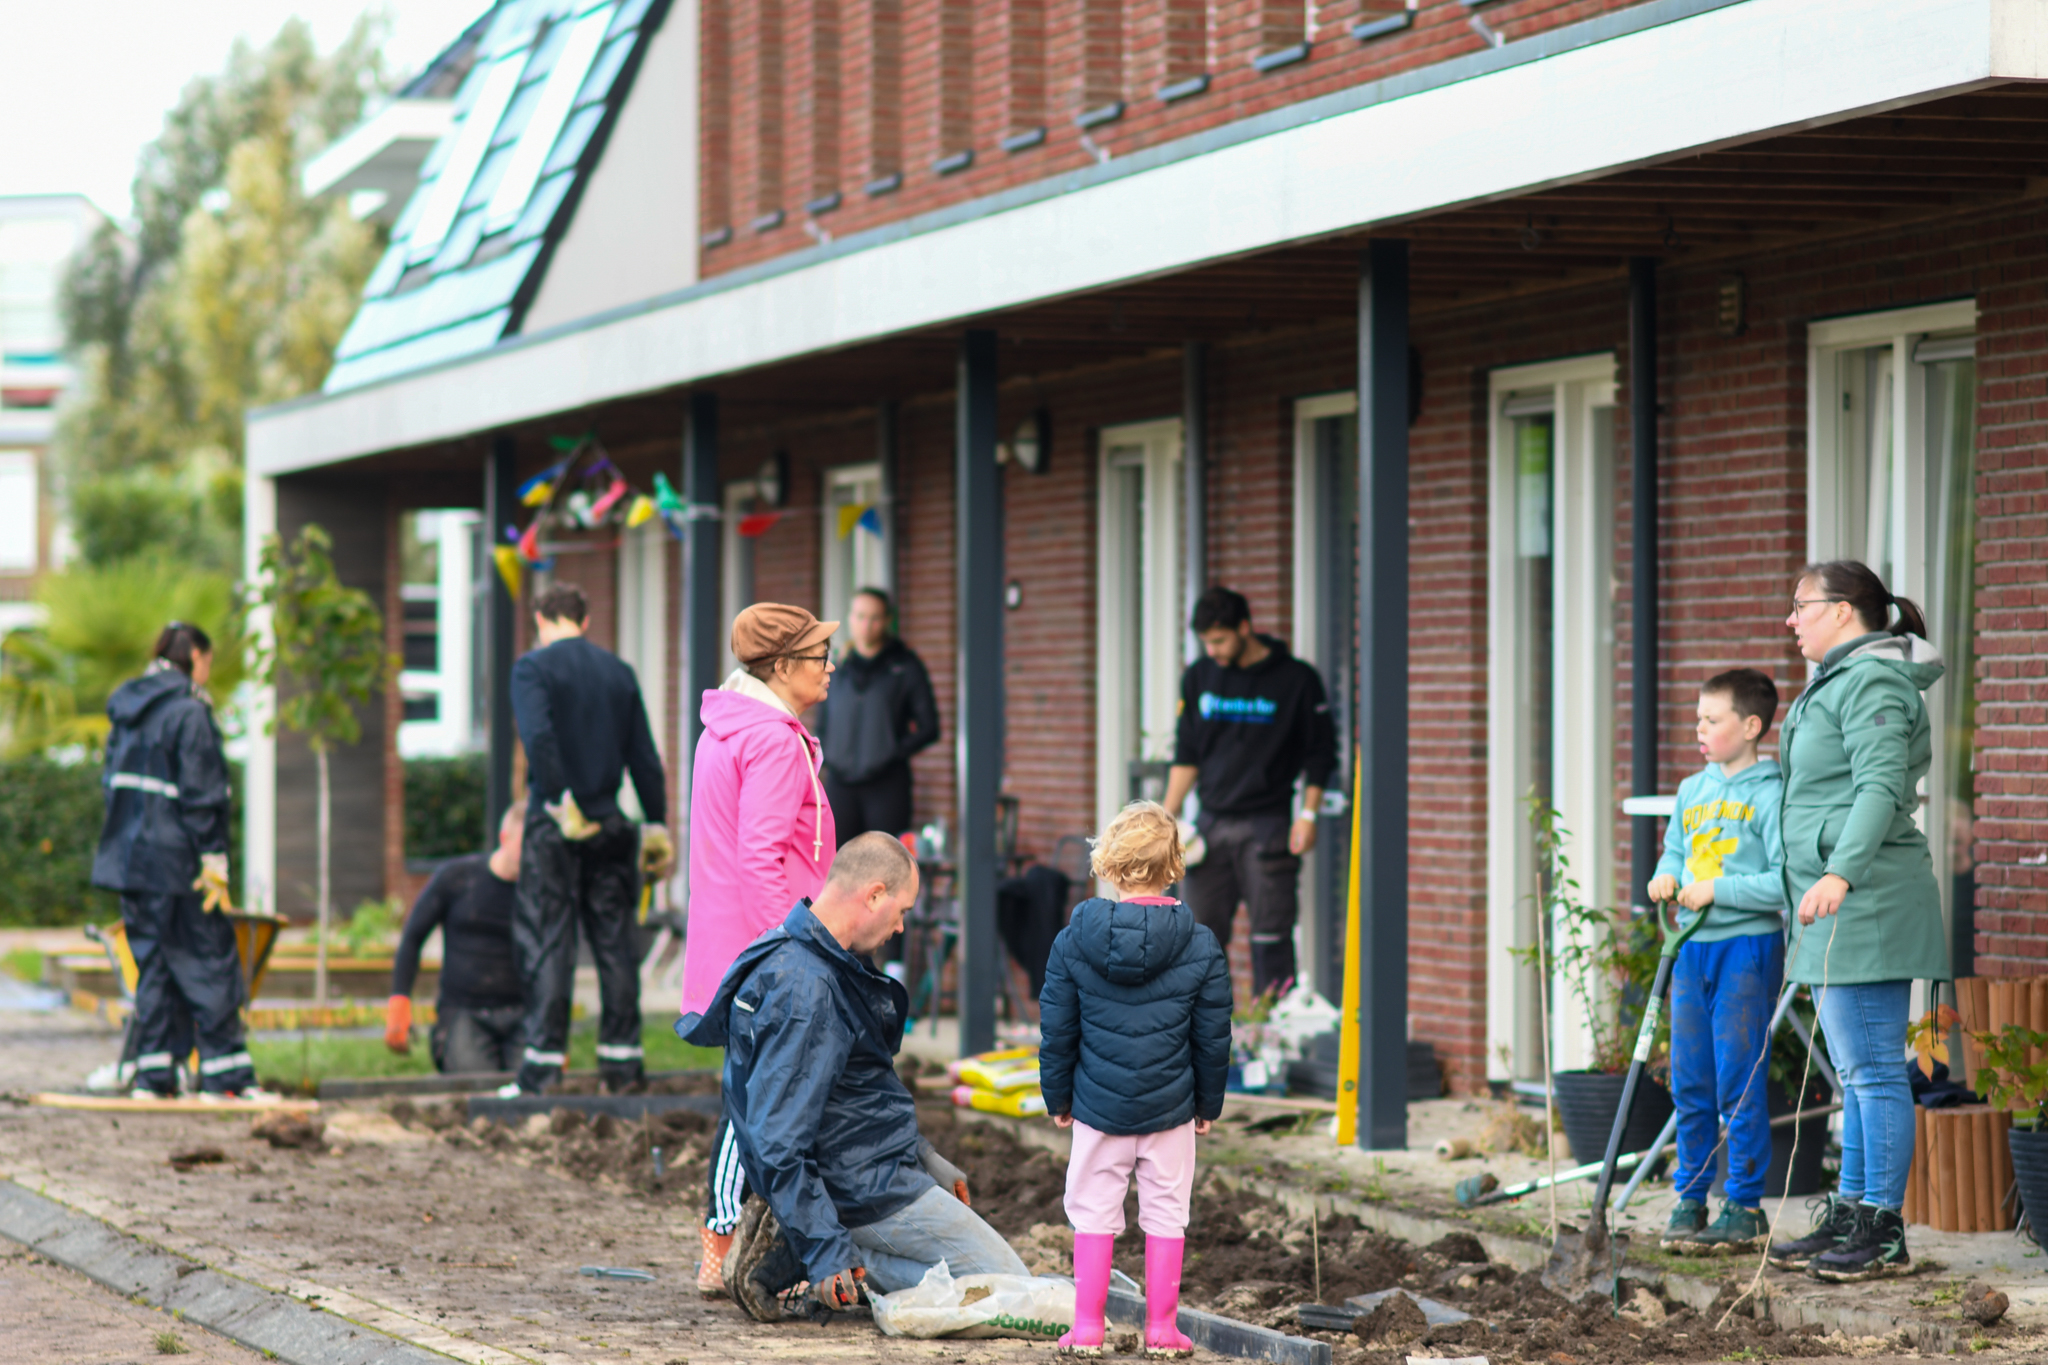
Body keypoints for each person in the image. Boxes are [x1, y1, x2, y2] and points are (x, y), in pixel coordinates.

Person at [681, 833, 1025, 1322]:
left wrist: (924, 1156)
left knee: (996, 1284)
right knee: (1011, 1291)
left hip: (873, 1171)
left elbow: (860, 1091)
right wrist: (826, 1252)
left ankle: (807, 1251)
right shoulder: (807, 991)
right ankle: (812, 1256)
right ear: (874, 895)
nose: (902, 927)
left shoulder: (814, 956)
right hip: (863, 1188)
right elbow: (777, 1140)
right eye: (902, 909)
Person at [1765, 560, 1947, 1283]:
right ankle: (1852, 1211)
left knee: (1873, 1073)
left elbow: (1878, 786)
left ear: (1843, 611)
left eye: (1800, 606)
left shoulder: (1872, 681)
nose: (1791, 620)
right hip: (1835, 902)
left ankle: (1882, 1229)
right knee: (1856, 1071)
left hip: (1866, 900)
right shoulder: (1837, 681)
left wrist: (1838, 870)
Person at [681, 601, 840, 1294]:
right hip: (769, 948)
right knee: (752, 1098)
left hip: (736, 943)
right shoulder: (773, 741)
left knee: (754, 1093)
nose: (830, 666)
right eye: (817, 657)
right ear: (781, 668)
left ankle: (738, 1239)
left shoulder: (727, 728)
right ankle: (722, 1240)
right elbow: (759, 859)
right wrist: (794, 949)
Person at [1037, 801, 1232, 1358]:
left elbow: (1058, 1028)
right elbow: (1212, 1036)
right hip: (1171, 1108)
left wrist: (1059, 1095)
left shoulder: (1073, 941)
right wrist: (1207, 1105)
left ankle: (1088, 1328)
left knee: (1094, 1210)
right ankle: (1162, 1330)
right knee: (1168, 1213)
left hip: (1097, 1107)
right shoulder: (1200, 945)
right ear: (1174, 867)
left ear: (1108, 866)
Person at [507, 582, 672, 1097]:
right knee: (615, 944)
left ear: (540, 618)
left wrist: (557, 799)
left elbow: (538, 738)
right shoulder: (618, 673)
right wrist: (656, 821)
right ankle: (623, 1069)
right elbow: (643, 754)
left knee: (550, 941)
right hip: (611, 823)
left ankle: (542, 1069)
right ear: (586, 618)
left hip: (557, 826)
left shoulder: (532, 669)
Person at [1646, 668, 1787, 1254]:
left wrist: (1718, 891)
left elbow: (1784, 880)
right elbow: (1675, 848)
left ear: (1751, 726)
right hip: (1690, 949)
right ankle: (1690, 1197)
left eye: (1712, 718)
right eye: (1697, 717)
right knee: (1690, 1078)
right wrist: (1666, 875)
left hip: (1745, 949)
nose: (1698, 727)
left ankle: (1746, 1203)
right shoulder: (1692, 790)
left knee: (1739, 1076)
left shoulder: (1774, 793)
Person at [91, 622, 261, 1100]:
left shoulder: (127, 711)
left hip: (131, 864)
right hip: (178, 864)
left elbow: (112, 788)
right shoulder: (190, 713)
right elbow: (202, 795)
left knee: (155, 967)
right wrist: (214, 863)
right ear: (198, 659)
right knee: (208, 959)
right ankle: (224, 1078)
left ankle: (154, 1077)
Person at [1163, 586, 1337, 999]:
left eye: (1220, 640)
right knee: (1198, 938)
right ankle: (1201, 1034)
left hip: (1268, 827)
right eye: (1207, 642)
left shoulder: (1296, 680)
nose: (1214, 650)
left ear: (1245, 627)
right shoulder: (1200, 677)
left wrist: (1308, 815)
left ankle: (1273, 1032)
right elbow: (1187, 752)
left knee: (1270, 938)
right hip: (1209, 826)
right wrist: (1165, 815)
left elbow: (1320, 754)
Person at [384, 799, 528, 1073]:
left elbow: (558, 956)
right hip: (464, 1012)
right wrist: (399, 1000)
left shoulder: (540, 893)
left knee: (532, 1091)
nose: (531, 854)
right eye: (524, 845)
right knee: (475, 1087)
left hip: (521, 1012)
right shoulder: (457, 879)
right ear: (504, 838)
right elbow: (412, 938)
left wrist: (554, 1031)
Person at [815, 587, 940, 843]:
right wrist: (828, 755)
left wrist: (890, 751)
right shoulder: (835, 667)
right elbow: (822, 721)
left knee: (884, 866)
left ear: (887, 620)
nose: (866, 625)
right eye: (860, 616)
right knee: (838, 867)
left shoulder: (905, 667)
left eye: (874, 618)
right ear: (850, 619)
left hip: (886, 787)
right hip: (839, 785)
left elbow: (930, 727)